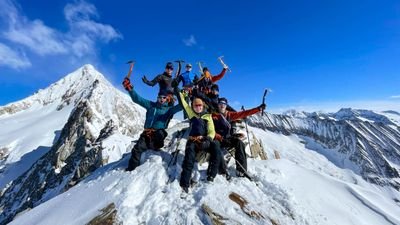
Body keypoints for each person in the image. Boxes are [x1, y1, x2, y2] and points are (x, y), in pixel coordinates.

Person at [122, 77, 182, 171]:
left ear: (167, 99)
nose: (161, 99)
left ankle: (155, 146)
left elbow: (181, 106)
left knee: (159, 133)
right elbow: (137, 99)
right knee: (137, 149)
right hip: (146, 134)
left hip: (158, 134)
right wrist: (129, 88)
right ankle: (131, 169)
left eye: (164, 98)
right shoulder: (151, 105)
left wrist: (182, 94)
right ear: (157, 98)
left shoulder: (169, 110)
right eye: (159, 97)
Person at [177, 91, 222, 193]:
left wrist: (209, 139)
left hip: (204, 140)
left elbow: (212, 130)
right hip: (193, 140)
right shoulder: (191, 113)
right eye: (196, 105)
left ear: (203, 106)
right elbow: (183, 103)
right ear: (193, 106)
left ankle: (211, 174)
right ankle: (184, 182)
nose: (198, 107)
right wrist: (181, 92)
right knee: (189, 157)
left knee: (216, 146)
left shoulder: (208, 116)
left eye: (200, 105)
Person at [212, 97, 266, 177]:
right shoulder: (213, 115)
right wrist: (219, 138)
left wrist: (258, 109)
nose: (222, 106)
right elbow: (210, 129)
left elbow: (244, 113)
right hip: (217, 140)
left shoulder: (229, 115)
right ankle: (222, 170)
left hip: (227, 139)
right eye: (220, 104)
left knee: (239, 143)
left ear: (226, 105)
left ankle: (241, 170)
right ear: (218, 105)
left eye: (224, 104)